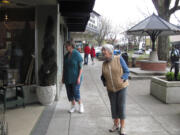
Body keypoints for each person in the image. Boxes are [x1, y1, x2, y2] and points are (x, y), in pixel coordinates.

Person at [101, 44, 129, 135]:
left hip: (121, 87)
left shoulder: (118, 58)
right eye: (103, 51)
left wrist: (123, 77)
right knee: (113, 107)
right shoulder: (104, 63)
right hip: (111, 89)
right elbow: (103, 76)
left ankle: (123, 127)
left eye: (104, 51)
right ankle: (116, 125)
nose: (103, 53)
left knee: (121, 106)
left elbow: (127, 71)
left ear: (110, 52)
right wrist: (105, 83)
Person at [62, 41, 84, 113]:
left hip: (75, 78)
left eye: (67, 46)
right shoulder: (66, 56)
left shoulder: (77, 54)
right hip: (67, 77)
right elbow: (64, 68)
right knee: (69, 93)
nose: (65, 47)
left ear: (71, 46)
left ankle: (81, 105)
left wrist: (78, 78)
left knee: (75, 92)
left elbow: (81, 67)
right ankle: (73, 106)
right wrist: (62, 77)